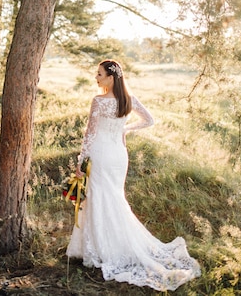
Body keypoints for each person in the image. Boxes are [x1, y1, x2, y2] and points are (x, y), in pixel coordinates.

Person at [66, 59, 201, 291]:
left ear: (110, 77)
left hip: (100, 154)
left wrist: (80, 162)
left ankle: (101, 248)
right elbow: (149, 120)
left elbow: (90, 133)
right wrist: (125, 129)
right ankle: (111, 244)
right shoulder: (129, 100)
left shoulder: (98, 101)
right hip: (119, 155)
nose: (96, 78)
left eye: (99, 74)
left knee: (99, 197)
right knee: (115, 198)